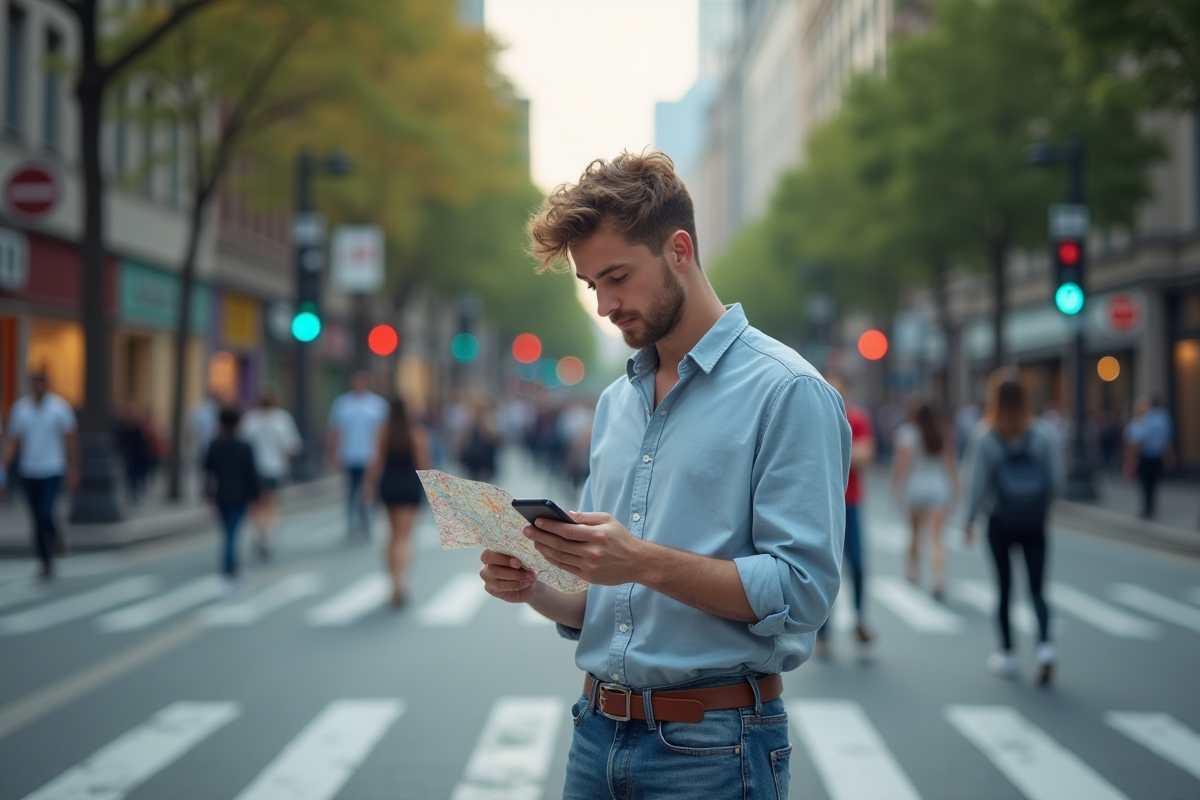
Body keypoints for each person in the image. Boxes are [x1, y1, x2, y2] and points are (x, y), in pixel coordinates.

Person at [478, 152, 848, 799]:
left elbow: (803, 590)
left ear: (679, 249)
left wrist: (643, 561)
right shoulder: (616, 402)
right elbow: (600, 595)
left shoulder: (787, 391)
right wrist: (535, 585)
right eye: (592, 285)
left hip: (714, 745)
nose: (606, 305)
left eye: (617, 277)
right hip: (595, 733)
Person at [963, 370, 1063, 685]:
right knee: (1037, 589)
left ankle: (1007, 653)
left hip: (1000, 521)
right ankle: (1045, 647)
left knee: (1003, 589)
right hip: (1034, 521)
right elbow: (1056, 481)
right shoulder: (1043, 434)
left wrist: (968, 520)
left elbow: (976, 485)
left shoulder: (986, 436)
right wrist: (1042, 507)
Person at [815, 374, 874, 656]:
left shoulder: (858, 418)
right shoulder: (814, 416)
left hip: (850, 502)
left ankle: (860, 618)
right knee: (827, 566)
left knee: (858, 563)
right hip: (822, 502)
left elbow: (864, 457)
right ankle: (823, 631)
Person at [1, 372, 79, 580]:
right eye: (35, 382)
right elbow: (13, 441)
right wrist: (3, 469)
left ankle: (54, 538)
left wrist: (73, 469)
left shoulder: (60, 408)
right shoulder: (21, 409)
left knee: (45, 511)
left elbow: (70, 440)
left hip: (53, 469)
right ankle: (45, 561)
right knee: (36, 518)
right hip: (29, 470)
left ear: (47, 384)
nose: (38, 386)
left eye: (41, 382)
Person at [363, 397, 432, 607]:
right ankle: (400, 583)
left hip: (389, 485)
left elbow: (376, 463)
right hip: (409, 487)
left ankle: (393, 583)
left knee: (392, 536)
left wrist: (368, 486)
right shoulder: (418, 434)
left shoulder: (382, 433)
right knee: (405, 538)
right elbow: (425, 467)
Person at [891, 397, 957, 600]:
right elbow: (951, 465)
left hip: (915, 487)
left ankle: (912, 573)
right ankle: (938, 579)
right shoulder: (942, 432)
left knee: (914, 533)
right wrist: (956, 491)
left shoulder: (907, 434)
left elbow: (902, 465)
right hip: (938, 487)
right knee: (937, 538)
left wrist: (895, 491)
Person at [240, 390, 301, 560]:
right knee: (272, 504)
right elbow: (292, 446)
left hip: (255, 469)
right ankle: (268, 536)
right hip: (275, 468)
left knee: (257, 505)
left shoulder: (251, 419)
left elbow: (244, 443)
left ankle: (262, 533)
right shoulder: (282, 419)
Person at [204, 407, 260, 593]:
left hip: (221, 496)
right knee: (232, 535)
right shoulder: (245, 447)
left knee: (227, 534)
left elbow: (207, 473)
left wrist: (208, 498)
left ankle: (232, 569)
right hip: (240, 496)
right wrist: (255, 497)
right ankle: (230, 572)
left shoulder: (214, 445)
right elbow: (251, 475)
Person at [327, 372, 388, 540]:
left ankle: (365, 520)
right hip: (349, 455)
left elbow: (383, 432)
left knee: (367, 489)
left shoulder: (377, 404)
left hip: (370, 456)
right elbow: (335, 430)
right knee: (351, 489)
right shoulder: (343, 403)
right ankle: (351, 522)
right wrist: (332, 453)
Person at [1123, 395, 1175, 520]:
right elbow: (1167, 439)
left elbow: (1136, 441)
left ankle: (1148, 507)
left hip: (1146, 456)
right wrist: (1170, 456)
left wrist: (1130, 457)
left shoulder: (1145, 419)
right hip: (1156, 455)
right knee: (1153, 482)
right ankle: (1151, 506)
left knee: (1146, 482)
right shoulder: (1163, 417)